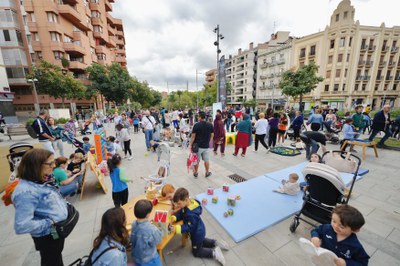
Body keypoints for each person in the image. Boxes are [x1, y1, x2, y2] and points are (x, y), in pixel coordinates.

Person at [11, 149, 69, 265]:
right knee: (51, 260)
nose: (53, 166)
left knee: (56, 258)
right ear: (36, 165)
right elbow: (21, 225)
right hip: (47, 236)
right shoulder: (25, 192)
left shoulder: (39, 179)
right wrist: (50, 222)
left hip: (55, 233)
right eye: (50, 163)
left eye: (54, 163)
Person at [171, 188, 228, 265]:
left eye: (179, 203)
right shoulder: (190, 203)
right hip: (200, 230)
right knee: (202, 241)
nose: (178, 205)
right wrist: (175, 217)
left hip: (196, 234)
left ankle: (214, 253)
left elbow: (190, 227)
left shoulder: (190, 214)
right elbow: (182, 212)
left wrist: (177, 228)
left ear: (186, 200)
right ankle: (215, 243)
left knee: (197, 251)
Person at [130, 199, 163, 266]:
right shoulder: (152, 229)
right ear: (148, 215)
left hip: (136, 257)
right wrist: (160, 230)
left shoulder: (133, 224)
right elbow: (158, 241)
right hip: (149, 258)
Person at [190, 111, 214, 178]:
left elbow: (193, 136)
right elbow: (212, 135)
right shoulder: (210, 125)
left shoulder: (196, 125)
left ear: (200, 117)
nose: (198, 117)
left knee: (197, 160)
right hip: (206, 146)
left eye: (198, 116)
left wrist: (190, 145)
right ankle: (207, 172)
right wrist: (210, 143)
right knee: (206, 160)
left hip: (198, 147)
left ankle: (196, 172)